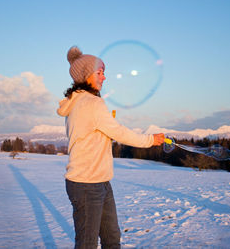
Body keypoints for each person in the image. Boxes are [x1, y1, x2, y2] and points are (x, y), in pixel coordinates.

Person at [57, 46, 165, 249]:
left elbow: (95, 136)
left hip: (99, 181)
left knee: (111, 238)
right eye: (99, 72)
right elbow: (120, 133)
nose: (104, 78)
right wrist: (151, 140)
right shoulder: (90, 103)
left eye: (104, 72)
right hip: (87, 183)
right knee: (88, 244)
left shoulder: (81, 102)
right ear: (85, 75)